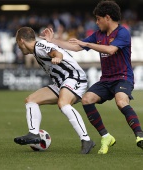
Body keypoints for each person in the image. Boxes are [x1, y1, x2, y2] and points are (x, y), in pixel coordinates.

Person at [40, 0, 143, 154]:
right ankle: (106, 136)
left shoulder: (123, 32)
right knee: (87, 99)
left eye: (98, 19)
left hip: (123, 77)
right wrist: (53, 41)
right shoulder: (98, 35)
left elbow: (111, 50)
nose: (96, 22)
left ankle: (140, 136)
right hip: (106, 80)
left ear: (107, 17)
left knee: (121, 101)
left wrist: (88, 44)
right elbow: (76, 46)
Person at [14, 26, 95, 154]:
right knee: (31, 100)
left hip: (74, 78)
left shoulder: (39, 46)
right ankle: (34, 134)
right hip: (61, 83)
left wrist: (57, 57)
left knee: (63, 103)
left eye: (17, 42)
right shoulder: (37, 49)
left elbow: (56, 53)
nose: (18, 46)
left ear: (21, 40)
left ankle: (86, 140)